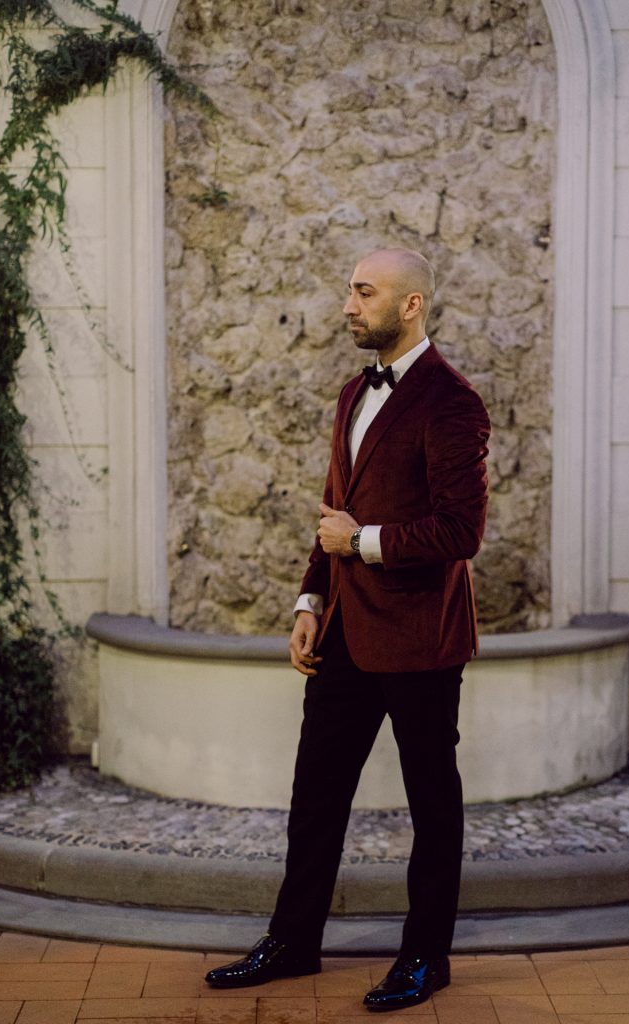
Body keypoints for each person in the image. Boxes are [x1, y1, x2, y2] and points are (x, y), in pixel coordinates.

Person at [205, 247, 490, 1012]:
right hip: (344, 633)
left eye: (364, 293)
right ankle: (294, 941)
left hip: (422, 639)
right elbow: (334, 513)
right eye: (349, 292)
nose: (348, 306)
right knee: (315, 798)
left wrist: (360, 542)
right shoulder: (351, 393)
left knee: (433, 807)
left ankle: (425, 958)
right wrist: (309, 602)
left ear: (411, 304)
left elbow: (460, 531)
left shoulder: (453, 402)